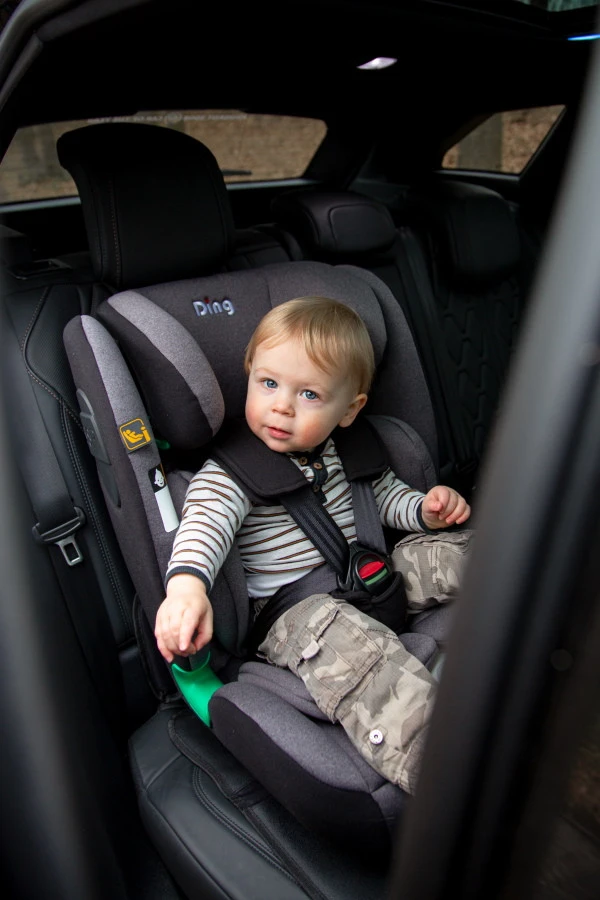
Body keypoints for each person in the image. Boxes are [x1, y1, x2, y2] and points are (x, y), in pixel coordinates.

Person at [155, 296, 471, 794]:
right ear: (250, 375)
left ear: (350, 409)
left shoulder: (350, 448)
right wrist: (187, 589)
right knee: (351, 650)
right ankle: (447, 768)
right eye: (268, 383)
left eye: (309, 394)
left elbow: (386, 499)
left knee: (452, 552)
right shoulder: (230, 475)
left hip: (370, 576)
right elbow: (202, 529)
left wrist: (425, 511)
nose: (281, 405)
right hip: (298, 614)